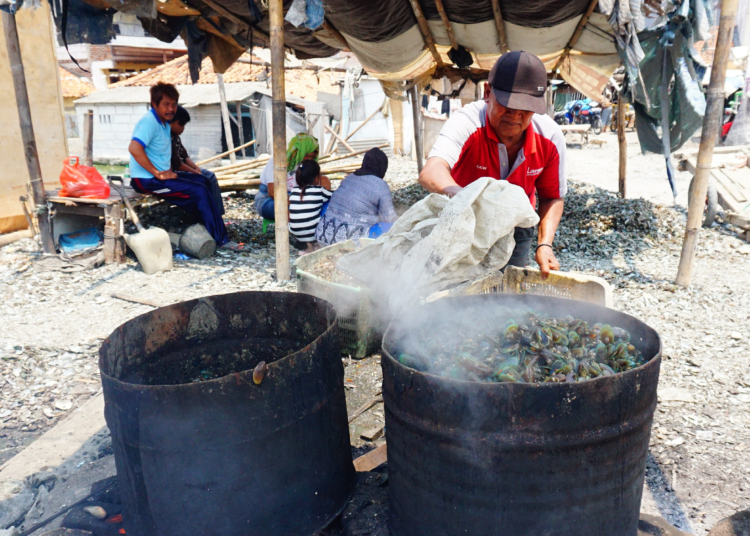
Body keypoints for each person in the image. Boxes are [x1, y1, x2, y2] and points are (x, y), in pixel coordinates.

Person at [419, 51, 566, 278]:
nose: (515, 115)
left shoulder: (550, 136)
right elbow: (431, 172)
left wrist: (544, 244)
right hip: (463, 221)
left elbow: (552, 196)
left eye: (525, 109)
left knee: (504, 292)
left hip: (516, 227)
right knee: (453, 285)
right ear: (488, 92)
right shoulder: (466, 121)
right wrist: (465, 199)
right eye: (508, 105)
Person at [128, 83, 239, 250]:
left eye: (173, 104)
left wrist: (165, 173)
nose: (171, 109)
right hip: (146, 180)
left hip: (161, 176)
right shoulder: (149, 122)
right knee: (199, 191)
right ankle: (220, 240)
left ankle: (206, 226)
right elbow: (134, 148)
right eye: (166, 104)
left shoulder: (164, 123)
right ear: (154, 104)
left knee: (203, 180)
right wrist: (157, 173)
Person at [316, 147, 397, 246]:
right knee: (391, 227)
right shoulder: (381, 185)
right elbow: (390, 218)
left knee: (329, 204)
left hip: (324, 238)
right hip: (352, 244)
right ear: (383, 167)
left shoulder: (349, 178)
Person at [170, 105, 224, 216]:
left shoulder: (176, 137)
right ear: (171, 122)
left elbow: (185, 157)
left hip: (184, 170)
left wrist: (196, 168)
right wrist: (194, 172)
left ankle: (217, 213)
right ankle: (204, 214)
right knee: (202, 180)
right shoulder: (165, 137)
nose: (183, 128)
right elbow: (177, 164)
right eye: (181, 125)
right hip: (173, 174)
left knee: (210, 176)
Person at [255, 133, 319, 221]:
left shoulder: (307, 165)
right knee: (284, 210)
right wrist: (298, 205)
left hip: (295, 198)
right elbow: (272, 192)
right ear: (298, 151)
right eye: (306, 155)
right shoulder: (277, 161)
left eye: (311, 157)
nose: (309, 160)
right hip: (269, 199)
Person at [288, 160, 332, 253]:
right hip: (312, 232)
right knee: (329, 205)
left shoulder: (293, 191)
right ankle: (318, 244)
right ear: (317, 178)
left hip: (295, 231)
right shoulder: (319, 191)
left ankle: (309, 247)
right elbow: (336, 196)